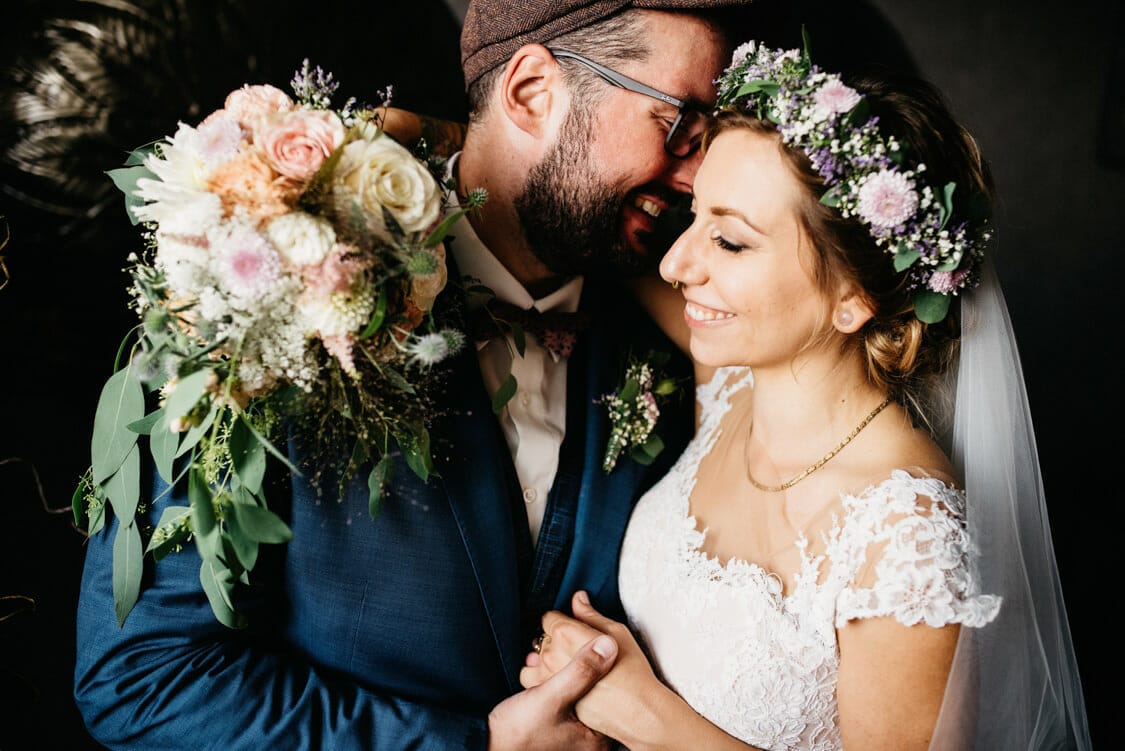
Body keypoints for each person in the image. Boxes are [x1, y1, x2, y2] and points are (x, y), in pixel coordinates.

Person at [71, 1, 762, 749]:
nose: (698, 174)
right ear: (532, 92)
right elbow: (142, 676)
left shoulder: (680, 334)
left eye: (710, 137)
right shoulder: (263, 291)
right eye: (678, 125)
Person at [522, 41, 1093, 750]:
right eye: (693, 216)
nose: (675, 263)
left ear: (852, 297)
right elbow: (600, 243)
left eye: (730, 242)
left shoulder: (905, 541)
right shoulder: (730, 384)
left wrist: (645, 715)